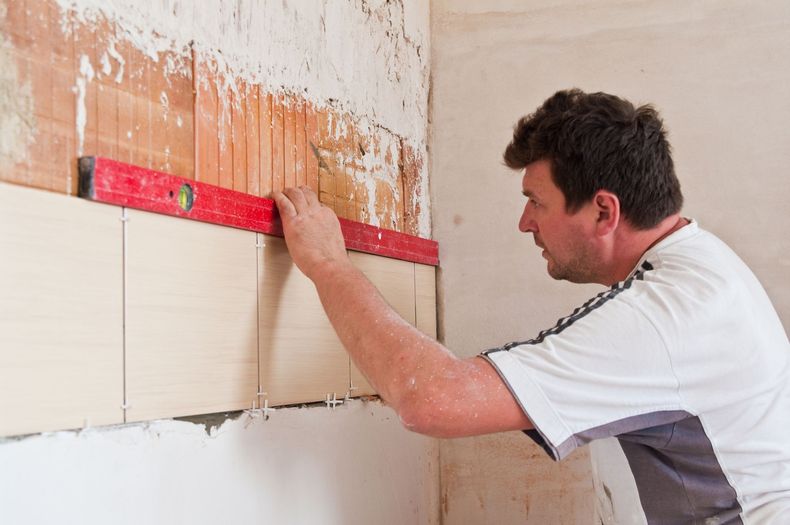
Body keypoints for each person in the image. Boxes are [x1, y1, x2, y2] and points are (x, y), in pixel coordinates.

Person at [272, 89, 790, 523]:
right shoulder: (698, 268)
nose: (525, 223)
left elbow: (431, 399)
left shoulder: (666, 318)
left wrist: (328, 266)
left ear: (603, 210)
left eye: (536, 201)